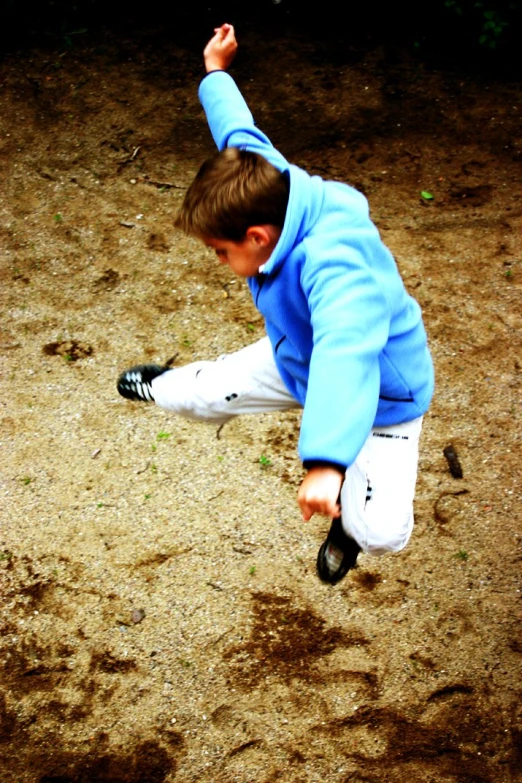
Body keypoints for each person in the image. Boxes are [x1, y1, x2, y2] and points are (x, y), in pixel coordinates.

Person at [117, 24, 434, 586]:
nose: (217, 260)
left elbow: (345, 351)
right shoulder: (271, 183)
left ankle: (350, 529)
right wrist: (216, 72)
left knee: (386, 531)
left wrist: (326, 463)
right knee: (204, 394)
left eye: (221, 250)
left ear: (259, 237)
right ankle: (160, 384)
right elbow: (239, 133)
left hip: (381, 395)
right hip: (298, 358)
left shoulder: (335, 265)